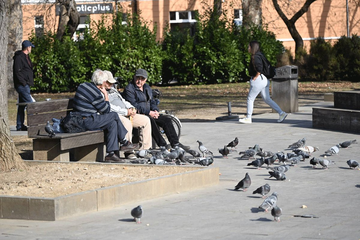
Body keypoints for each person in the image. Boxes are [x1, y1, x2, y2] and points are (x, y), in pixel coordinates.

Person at [72, 69, 136, 163]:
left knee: (112, 123)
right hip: (85, 121)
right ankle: (124, 142)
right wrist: (106, 95)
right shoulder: (96, 93)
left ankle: (110, 154)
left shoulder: (83, 85)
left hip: (84, 119)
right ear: (102, 82)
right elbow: (106, 110)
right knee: (113, 115)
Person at [123, 69, 189, 151]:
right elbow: (134, 105)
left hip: (149, 112)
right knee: (150, 120)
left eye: (142, 79)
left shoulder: (146, 87)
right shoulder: (129, 89)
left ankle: (175, 144)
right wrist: (149, 112)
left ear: (146, 79)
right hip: (139, 114)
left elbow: (152, 101)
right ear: (134, 77)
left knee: (167, 120)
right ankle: (163, 145)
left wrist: (155, 110)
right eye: (137, 78)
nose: (139, 81)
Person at [103, 70, 152, 154]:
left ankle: (144, 150)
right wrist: (125, 112)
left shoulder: (113, 90)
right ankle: (129, 152)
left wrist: (131, 108)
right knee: (127, 123)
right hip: (117, 115)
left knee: (145, 120)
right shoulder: (101, 92)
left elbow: (123, 101)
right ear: (103, 82)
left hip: (127, 112)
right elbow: (109, 107)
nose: (111, 85)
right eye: (109, 83)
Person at [239, 40, 288, 124]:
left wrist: (255, 77)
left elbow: (259, 68)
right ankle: (281, 113)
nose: (248, 48)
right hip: (264, 79)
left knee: (250, 99)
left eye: (249, 47)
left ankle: (248, 117)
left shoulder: (255, 57)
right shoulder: (260, 55)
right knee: (267, 99)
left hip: (259, 80)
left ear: (252, 47)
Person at [13, 40, 35, 131]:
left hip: (26, 84)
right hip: (22, 85)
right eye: (30, 47)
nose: (31, 49)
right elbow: (17, 72)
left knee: (22, 105)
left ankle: (19, 125)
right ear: (27, 48)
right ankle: (34, 125)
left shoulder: (26, 57)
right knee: (30, 104)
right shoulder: (19, 57)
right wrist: (23, 83)